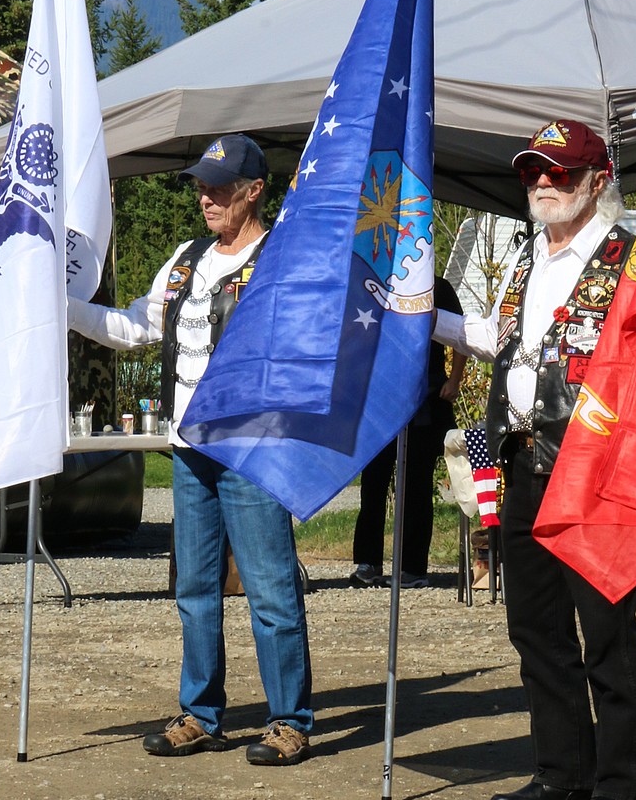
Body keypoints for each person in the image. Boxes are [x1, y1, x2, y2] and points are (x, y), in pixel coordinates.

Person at [434, 118, 636, 800]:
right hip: (524, 457)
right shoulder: (529, 259)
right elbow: (505, 345)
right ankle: (562, 770)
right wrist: (422, 315)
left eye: (557, 173)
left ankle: (621, 786)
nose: (543, 184)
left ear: (597, 181)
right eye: (533, 173)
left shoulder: (631, 258)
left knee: (606, 631)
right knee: (534, 627)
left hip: (594, 466)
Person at [68, 134, 313, 767]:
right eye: (201, 185)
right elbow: (135, 327)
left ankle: (289, 720)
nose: (206, 197)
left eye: (219, 186)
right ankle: (201, 714)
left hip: (251, 450)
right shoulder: (185, 258)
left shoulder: (284, 255)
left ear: (254, 191)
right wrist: (60, 308)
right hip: (187, 450)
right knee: (195, 587)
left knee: (270, 590)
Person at [350, 275, 468, 589]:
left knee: (416, 484)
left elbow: (461, 336)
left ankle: (413, 567)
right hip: (378, 398)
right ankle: (368, 562)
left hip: (424, 398)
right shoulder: (372, 283)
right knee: (373, 483)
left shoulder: (438, 287)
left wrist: (454, 381)